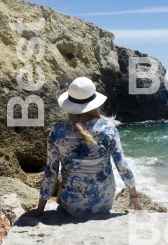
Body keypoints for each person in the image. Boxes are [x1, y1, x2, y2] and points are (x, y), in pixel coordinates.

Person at [22, 77, 143, 217]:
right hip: (103, 202)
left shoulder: (57, 131)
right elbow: (122, 166)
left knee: (68, 177)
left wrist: (39, 210)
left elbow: (51, 171)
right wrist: (134, 196)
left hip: (72, 206)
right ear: (94, 102)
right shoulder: (109, 129)